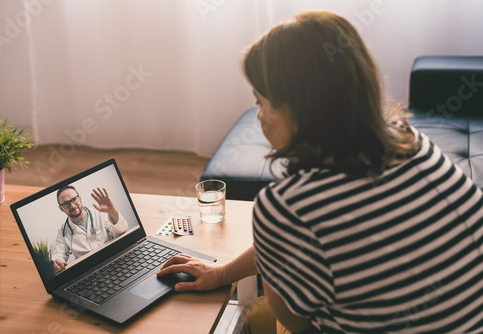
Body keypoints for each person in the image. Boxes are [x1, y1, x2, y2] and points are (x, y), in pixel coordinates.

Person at [157, 10, 483, 334]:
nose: (258, 117)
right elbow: (296, 241)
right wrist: (224, 272)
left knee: (260, 319)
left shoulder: (287, 206)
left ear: (300, 109)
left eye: (261, 102)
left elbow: (296, 321)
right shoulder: (414, 145)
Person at [51, 185, 129, 273]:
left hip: (112, 262)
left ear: (80, 198)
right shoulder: (63, 232)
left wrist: (112, 212)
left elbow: (121, 232)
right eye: (66, 203)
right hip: (87, 272)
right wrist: (55, 263)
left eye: (74, 199)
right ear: (61, 208)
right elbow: (57, 254)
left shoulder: (99, 213)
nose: (72, 205)